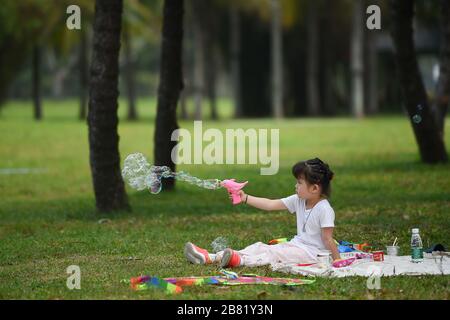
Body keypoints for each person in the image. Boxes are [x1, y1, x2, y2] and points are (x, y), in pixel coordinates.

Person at [184, 158, 341, 268]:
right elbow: (270, 204)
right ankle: (211, 257)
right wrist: (245, 198)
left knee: (273, 254)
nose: (296, 186)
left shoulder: (324, 209)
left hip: (311, 254)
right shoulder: (299, 200)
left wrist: (337, 260)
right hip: (296, 246)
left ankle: (240, 261)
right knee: (260, 247)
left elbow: (327, 239)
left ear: (314, 188)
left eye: (299, 183)